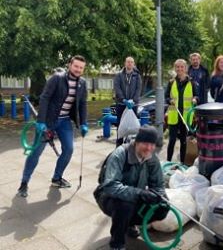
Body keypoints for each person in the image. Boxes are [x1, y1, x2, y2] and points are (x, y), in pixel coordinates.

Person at [17, 55, 89, 197]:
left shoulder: (82, 83)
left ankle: (57, 178)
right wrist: (41, 121)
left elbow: (82, 103)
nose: (78, 69)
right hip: (48, 121)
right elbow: (45, 97)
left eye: (81, 68)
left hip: (64, 122)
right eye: (76, 66)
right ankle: (24, 183)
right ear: (70, 65)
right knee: (36, 152)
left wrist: (84, 123)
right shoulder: (57, 78)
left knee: (68, 149)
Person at [94, 125, 168, 250]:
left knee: (163, 208)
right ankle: (117, 244)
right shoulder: (120, 154)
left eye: (152, 144)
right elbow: (110, 186)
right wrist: (140, 193)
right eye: (145, 143)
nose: (149, 148)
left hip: (132, 195)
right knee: (125, 206)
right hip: (107, 196)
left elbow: (159, 185)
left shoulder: (151, 158)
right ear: (137, 142)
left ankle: (129, 223)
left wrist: (159, 197)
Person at [165, 59, 198, 163]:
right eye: (177, 67)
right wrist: (169, 100)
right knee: (172, 141)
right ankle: (168, 162)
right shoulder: (171, 82)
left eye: (182, 67)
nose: (179, 69)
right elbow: (166, 97)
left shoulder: (191, 82)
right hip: (174, 115)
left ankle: (183, 162)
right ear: (175, 68)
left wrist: (195, 99)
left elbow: (197, 96)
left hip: (186, 116)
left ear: (185, 68)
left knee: (184, 141)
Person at [114, 56, 142, 147]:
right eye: (128, 62)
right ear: (125, 63)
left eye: (131, 62)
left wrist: (133, 100)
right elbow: (117, 88)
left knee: (131, 126)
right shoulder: (119, 75)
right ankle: (119, 145)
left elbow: (138, 89)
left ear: (133, 64)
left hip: (133, 105)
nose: (129, 63)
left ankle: (129, 146)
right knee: (120, 125)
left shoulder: (137, 76)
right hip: (121, 104)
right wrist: (124, 100)